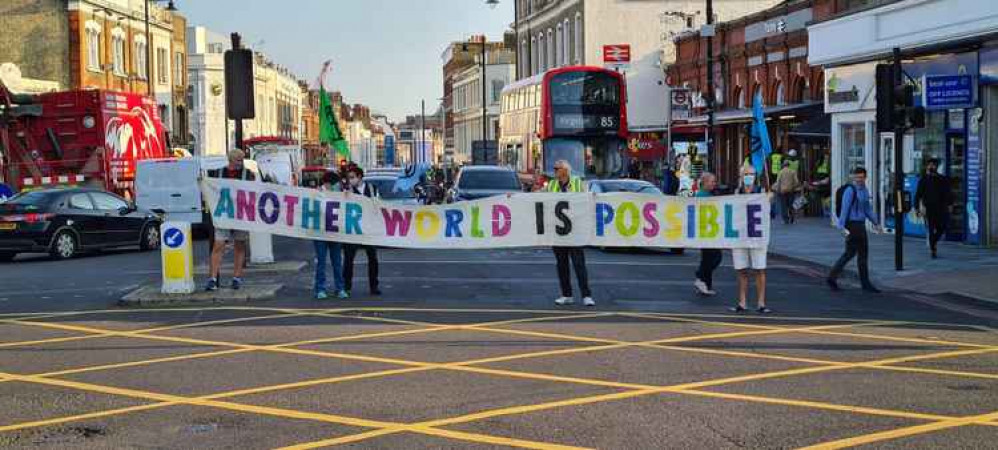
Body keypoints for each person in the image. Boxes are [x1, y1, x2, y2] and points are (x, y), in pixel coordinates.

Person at [206, 149, 256, 291]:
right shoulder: (216, 173)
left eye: (242, 160)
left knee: (239, 246)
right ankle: (213, 278)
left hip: (241, 215)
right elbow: (209, 187)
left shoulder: (249, 175)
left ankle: (236, 278)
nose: (241, 163)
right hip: (224, 215)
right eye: (239, 160)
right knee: (218, 245)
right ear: (231, 160)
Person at [828, 167, 882, 293]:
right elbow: (845, 209)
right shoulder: (850, 190)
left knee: (850, 253)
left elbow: (867, 209)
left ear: (865, 177)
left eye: (861, 177)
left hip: (860, 225)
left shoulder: (864, 190)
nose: (859, 180)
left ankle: (832, 277)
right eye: (856, 177)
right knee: (860, 254)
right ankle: (865, 283)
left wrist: (876, 223)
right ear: (852, 177)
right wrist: (841, 227)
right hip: (853, 225)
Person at [548, 160, 594, 307]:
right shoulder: (552, 185)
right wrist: (514, 197)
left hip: (575, 232)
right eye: (554, 168)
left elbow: (587, 199)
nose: (554, 171)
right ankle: (566, 295)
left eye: (557, 169)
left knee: (579, 264)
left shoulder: (577, 183)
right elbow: (537, 198)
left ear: (565, 170)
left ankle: (586, 296)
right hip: (558, 232)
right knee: (562, 265)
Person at [731, 165, 772, 314]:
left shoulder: (761, 192)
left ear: (756, 176)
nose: (749, 176)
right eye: (746, 174)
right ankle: (742, 302)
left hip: (757, 236)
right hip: (740, 237)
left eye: (751, 174)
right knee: (741, 269)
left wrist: (769, 200)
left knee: (759, 269)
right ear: (741, 176)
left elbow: (770, 214)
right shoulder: (736, 193)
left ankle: (761, 302)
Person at [342, 166, 382, 296]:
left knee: (373, 259)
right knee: (348, 259)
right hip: (353, 230)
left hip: (368, 229)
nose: (351, 180)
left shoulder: (372, 189)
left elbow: (378, 206)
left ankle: (374, 286)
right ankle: (346, 287)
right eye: (349, 178)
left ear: (360, 177)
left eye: (353, 177)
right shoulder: (347, 191)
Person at [313, 171, 349, 300]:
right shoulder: (316, 194)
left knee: (337, 262)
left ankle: (340, 288)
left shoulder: (339, 194)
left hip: (335, 232)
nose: (337, 187)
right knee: (321, 262)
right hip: (320, 234)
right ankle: (320, 289)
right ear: (328, 184)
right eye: (335, 184)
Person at [915, 158, 952, 259]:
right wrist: (917, 209)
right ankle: (933, 250)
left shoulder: (942, 179)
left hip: (941, 208)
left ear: (937, 167)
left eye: (933, 165)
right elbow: (918, 195)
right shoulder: (923, 180)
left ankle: (933, 242)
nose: (931, 167)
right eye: (929, 165)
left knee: (942, 227)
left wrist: (950, 205)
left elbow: (948, 193)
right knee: (931, 229)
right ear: (927, 166)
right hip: (928, 209)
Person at [694, 173, 722, 296]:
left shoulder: (709, 194)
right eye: (712, 181)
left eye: (714, 181)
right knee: (715, 257)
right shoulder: (701, 195)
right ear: (704, 182)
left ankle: (705, 284)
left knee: (707, 258)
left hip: (710, 231)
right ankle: (700, 277)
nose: (714, 183)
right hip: (706, 232)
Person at [774, 160, 801, 224]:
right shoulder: (793, 172)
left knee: (784, 206)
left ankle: (785, 220)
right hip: (791, 191)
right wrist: (793, 187)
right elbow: (797, 182)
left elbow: (778, 183)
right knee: (791, 205)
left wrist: (777, 190)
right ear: (789, 165)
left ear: (783, 165)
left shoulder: (780, 172)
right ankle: (792, 219)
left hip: (782, 191)